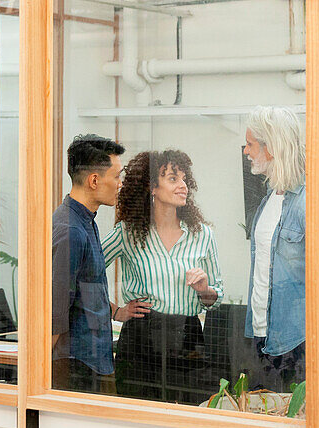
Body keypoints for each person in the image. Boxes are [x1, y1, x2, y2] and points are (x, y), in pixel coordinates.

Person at [102, 150, 223, 403]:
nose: (183, 186)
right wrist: (115, 312)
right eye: (172, 179)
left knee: (189, 420)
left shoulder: (202, 235)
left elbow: (217, 295)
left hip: (188, 339)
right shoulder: (128, 233)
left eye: (184, 179)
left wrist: (204, 290)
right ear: (152, 188)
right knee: (140, 421)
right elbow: (84, 270)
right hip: (141, 338)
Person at [51, 134, 150, 394]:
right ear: (94, 180)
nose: (120, 184)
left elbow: (85, 288)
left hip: (95, 361)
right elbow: (55, 310)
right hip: (76, 366)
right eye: (116, 176)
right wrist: (36, 375)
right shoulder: (69, 229)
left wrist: (117, 312)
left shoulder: (86, 222)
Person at [242, 106, 306, 392]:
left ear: (272, 147)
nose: (246, 150)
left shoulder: (307, 201)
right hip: (261, 334)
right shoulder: (268, 199)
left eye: (251, 144)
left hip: (296, 341)